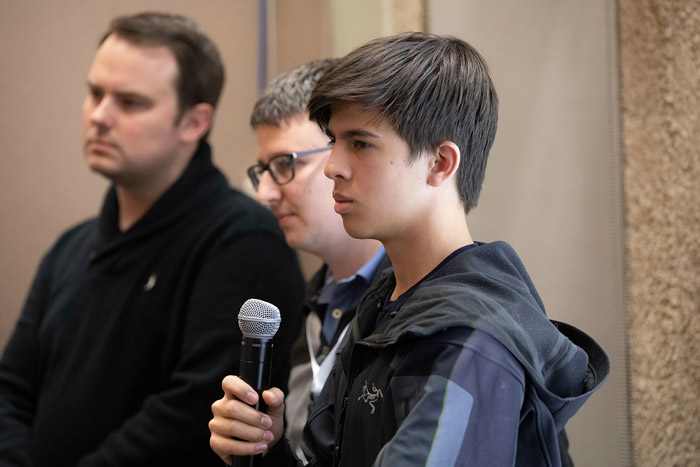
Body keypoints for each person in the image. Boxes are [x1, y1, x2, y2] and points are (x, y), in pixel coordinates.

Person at [209, 32, 610, 466]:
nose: (333, 167)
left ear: (440, 163)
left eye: (360, 143)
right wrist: (269, 452)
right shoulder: (382, 305)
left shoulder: (470, 337)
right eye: (335, 141)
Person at [0, 12, 304, 466]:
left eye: (130, 102)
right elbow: (12, 391)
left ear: (194, 122)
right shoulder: (71, 248)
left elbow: (189, 419)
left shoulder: (243, 241)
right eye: (95, 93)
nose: (100, 116)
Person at [245, 59, 391, 459]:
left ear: (344, 152)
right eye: (263, 171)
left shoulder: (410, 301)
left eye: (285, 165)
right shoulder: (312, 304)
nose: (265, 196)